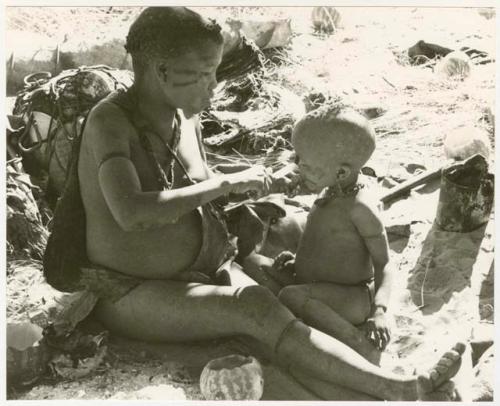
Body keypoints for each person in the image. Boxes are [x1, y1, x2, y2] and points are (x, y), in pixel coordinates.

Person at [75, 6, 464, 400]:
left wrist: (260, 186)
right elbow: (132, 213)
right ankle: (400, 388)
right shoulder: (109, 122)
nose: (215, 85)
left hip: (204, 269)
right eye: (204, 73)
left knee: (280, 308)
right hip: (131, 292)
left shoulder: (183, 117)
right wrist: (229, 182)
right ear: (162, 71)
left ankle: (365, 376)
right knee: (256, 309)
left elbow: (197, 195)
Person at [262, 106, 392, 356]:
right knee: (253, 263)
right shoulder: (332, 187)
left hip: (352, 297)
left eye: (307, 165)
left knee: (291, 296)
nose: (298, 167)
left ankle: (357, 342)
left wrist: (379, 311)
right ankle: (306, 320)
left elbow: (384, 263)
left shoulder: (359, 208)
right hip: (316, 284)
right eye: (298, 158)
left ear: (341, 172)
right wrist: (297, 261)